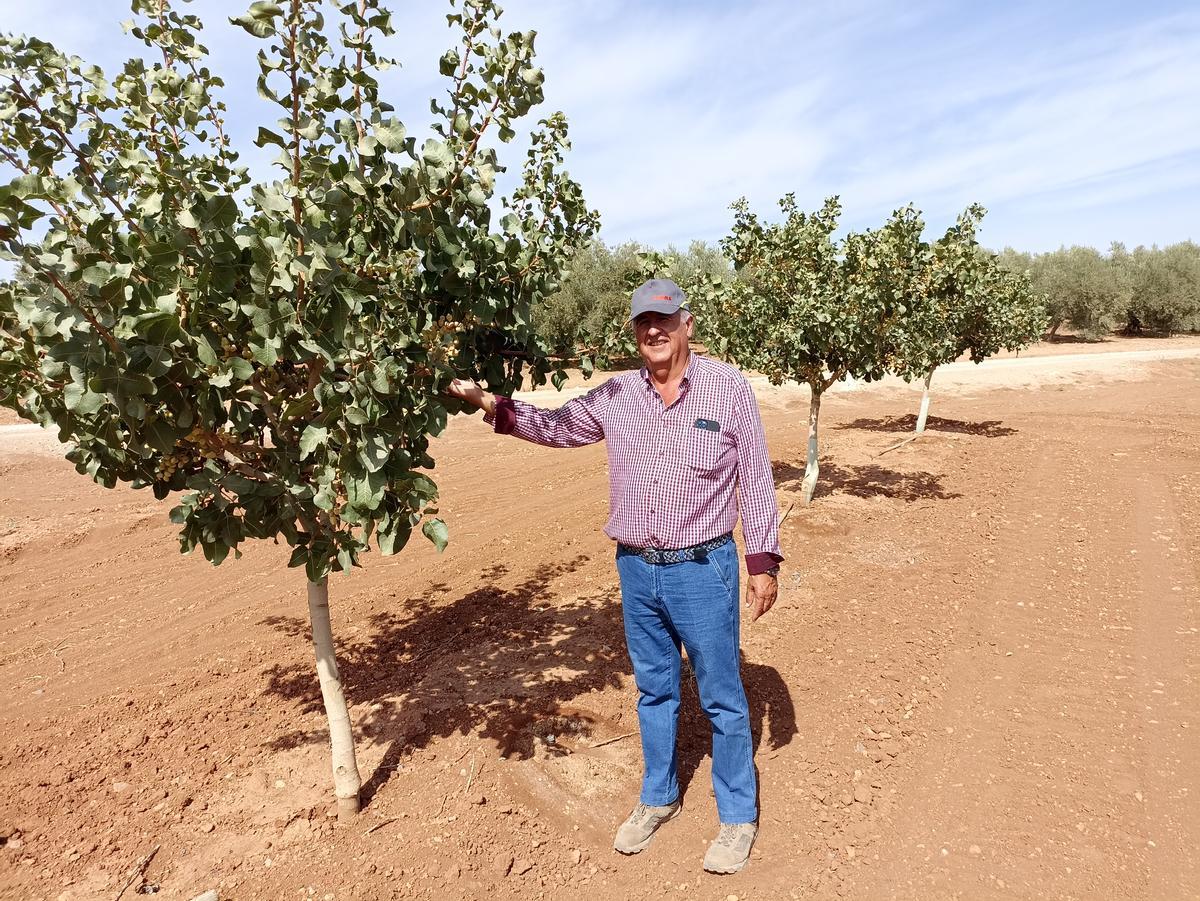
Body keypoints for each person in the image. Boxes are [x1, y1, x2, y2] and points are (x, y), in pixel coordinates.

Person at [447, 278, 783, 874]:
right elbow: (557, 426)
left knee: (724, 698)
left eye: (664, 319)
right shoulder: (618, 394)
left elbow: (754, 476)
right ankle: (658, 797)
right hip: (637, 569)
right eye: (642, 323)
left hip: (704, 570)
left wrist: (762, 563)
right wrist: (490, 405)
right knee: (655, 689)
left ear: (687, 324)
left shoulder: (728, 389)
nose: (653, 330)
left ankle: (737, 816)